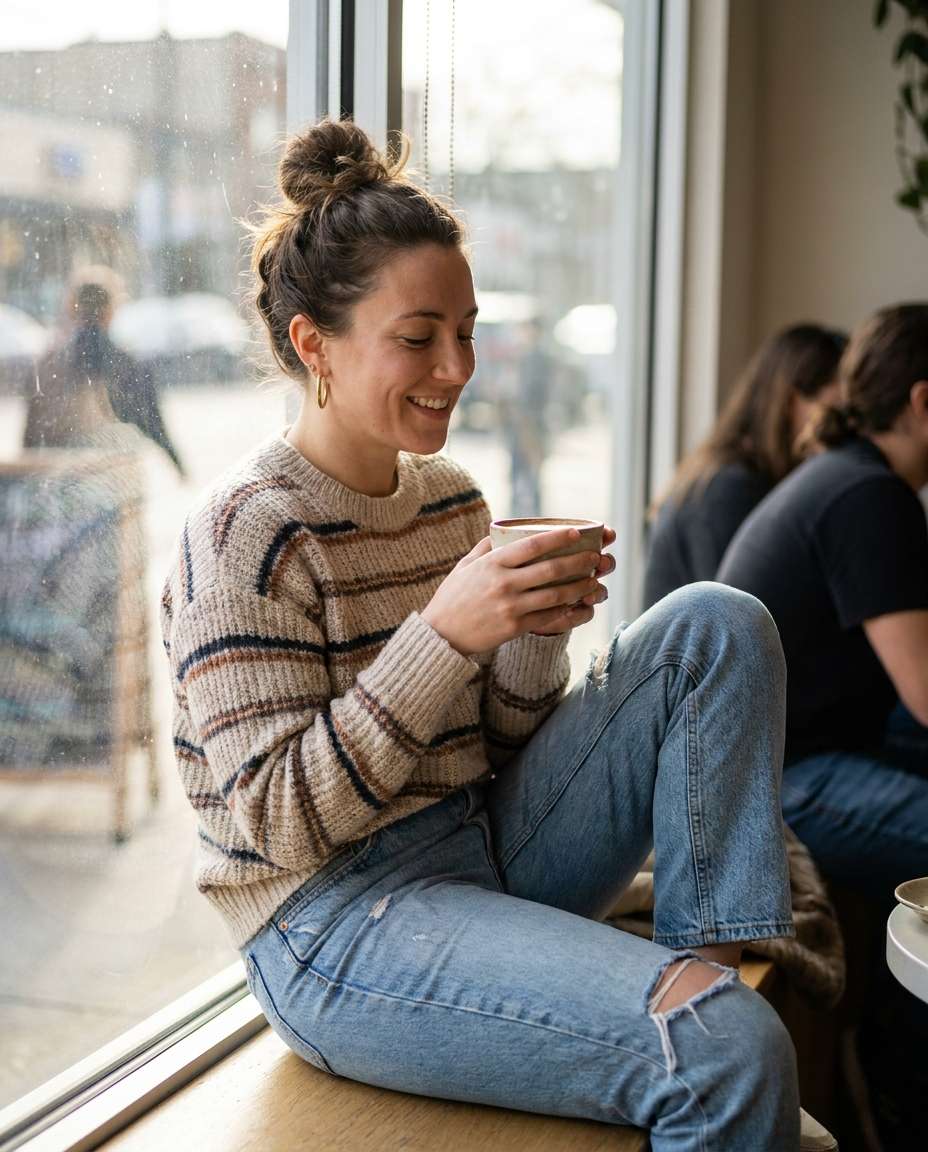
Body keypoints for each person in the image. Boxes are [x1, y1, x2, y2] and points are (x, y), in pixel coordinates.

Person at [160, 119, 825, 1151]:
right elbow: (279, 824)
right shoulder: (245, 532)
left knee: (714, 622)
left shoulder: (450, 500)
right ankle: (713, 1038)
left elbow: (505, 747)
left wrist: (527, 633)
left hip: (478, 844)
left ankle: (707, 960)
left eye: (465, 330)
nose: (457, 366)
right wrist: (445, 631)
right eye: (418, 336)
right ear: (313, 346)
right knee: (727, 1049)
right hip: (332, 925)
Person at [716, 303, 928, 1150]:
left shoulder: (852, 477)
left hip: (807, 747)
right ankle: (905, 1105)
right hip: (780, 775)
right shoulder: (870, 496)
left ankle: (900, 1087)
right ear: (924, 401)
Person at [643, 324, 847, 609]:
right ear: (792, 400)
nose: (845, 428)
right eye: (836, 411)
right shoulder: (728, 488)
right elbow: (730, 621)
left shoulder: (742, 476)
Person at [23, 265, 186, 476]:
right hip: (110, 478)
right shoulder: (125, 362)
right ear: (111, 310)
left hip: (56, 478)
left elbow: (31, 437)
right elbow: (152, 423)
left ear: (72, 308)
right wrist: (178, 464)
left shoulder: (48, 364)